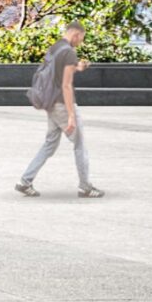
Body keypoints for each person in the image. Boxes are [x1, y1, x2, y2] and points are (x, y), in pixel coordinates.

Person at [16, 22, 104, 199]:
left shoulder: (56, 47)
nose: (80, 42)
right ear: (77, 35)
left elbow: (57, 73)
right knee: (80, 145)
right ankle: (85, 187)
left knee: (50, 144)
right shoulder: (69, 52)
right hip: (62, 105)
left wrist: (78, 67)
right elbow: (66, 85)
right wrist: (71, 116)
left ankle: (25, 182)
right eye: (81, 39)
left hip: (50, 102)